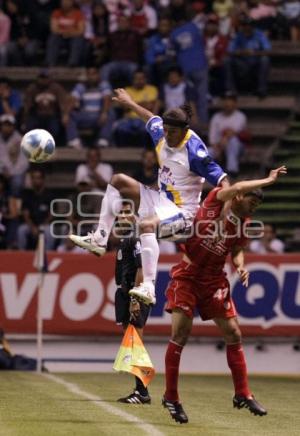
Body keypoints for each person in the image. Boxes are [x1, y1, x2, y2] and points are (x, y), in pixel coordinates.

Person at [70, 87, 228, 306]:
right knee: (117, 180)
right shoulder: (162, 132)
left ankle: (149, 287)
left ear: (184, 130)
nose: (167, 135)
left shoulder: (196, 153)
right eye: (165, 130)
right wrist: (129, 102)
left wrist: (223, 216)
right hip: (160, 200)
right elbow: (150, 117)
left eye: (172, 132)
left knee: (146, 225)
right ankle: (99, 238)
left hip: (182, 213)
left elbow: (224, 182)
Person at [162, 165, 287, 423]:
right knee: (181, 334)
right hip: (188, 274)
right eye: (252, 203)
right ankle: (171, 397)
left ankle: (243, 393)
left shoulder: (245, 223)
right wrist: (269, 179)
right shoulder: (218, 198)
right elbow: (238, 187)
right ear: (240, 196)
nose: (253, 209)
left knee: (234, 333)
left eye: (256, 207)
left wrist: (240, 267)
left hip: (214, 279)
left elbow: (237, 250)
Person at [114, 201, 152, 404]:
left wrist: (135, 298)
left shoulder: (136, 237)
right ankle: (140, 390)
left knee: (135, 343)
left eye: (127, 212)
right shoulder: (125, 238)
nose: (123, 216)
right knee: (131, 343)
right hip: (124, 291)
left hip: (133, 293)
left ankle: (142, 392)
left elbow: (141, 268)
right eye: (120, 213)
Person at [224, 15, 271, 98]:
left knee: (265, 59)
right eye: (245, 25)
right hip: (242, 63)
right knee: (227, 60)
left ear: (253, 26)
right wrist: (242, 52)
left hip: (256, 62)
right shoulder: (238, 36)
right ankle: (230, 89)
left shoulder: (259, 34)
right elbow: (230, 51)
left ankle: (261, 90)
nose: (247, 27)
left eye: (250, 25)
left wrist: (254, 53)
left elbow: (267, 50)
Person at [67, 67, 113, 148]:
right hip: (85, 116)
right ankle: (75, 141)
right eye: (89, 74)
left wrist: (104, 113)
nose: (91, 77)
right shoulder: (81, 86)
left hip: (98, 116)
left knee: (110, 113)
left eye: (93, 74)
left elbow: (107, 98)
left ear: (98, 75)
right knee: (71, 114)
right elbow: (73, 99)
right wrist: (65, 114)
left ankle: (103, 140)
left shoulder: (104, 85)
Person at [113, 70, 159, 147]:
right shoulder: (127, 90)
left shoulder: (152, 89)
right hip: (128, 119)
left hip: (144, 120)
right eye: (136, 79)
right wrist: (143, 103)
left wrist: (130, 103)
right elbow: (124, 107)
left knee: (145, 130)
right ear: (133, 80)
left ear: (146, 79)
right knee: (120, 129)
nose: (139, 81)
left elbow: (151, 105)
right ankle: (123, 151)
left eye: (141, 78)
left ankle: (146, 151)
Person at [209, 92, 250, 176]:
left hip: (238, 148)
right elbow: (212, 139)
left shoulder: (240, 116)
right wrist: (217, 148)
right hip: (220, 147)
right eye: (225, 101)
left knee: (233, 141)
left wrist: (224, 140)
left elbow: (232, 133)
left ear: (235, 103)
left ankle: (232, 170)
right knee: (205, 153)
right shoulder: (216, 117)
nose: (227, 103)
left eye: (230, 101)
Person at [23, 69, 70, 139]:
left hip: (52, 115)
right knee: (30, 126)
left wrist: (65, 115)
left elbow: (63, 102)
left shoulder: (56, 88)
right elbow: (27, 105)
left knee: (55, 128)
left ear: (49, 78)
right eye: (41, 78)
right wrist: (24, 118)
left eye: (45, 78)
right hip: (37, 115)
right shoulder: (32, 88)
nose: (43, 80)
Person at [17, 169, 54, 250]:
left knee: (50, 231)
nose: (35, 180)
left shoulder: (49, 195)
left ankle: (49, 253)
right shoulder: (27, 194)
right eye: (33, 178)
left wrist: (41, 227)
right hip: (31, 225)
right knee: (21, 230)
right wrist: (33, 227)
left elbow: (51, 215)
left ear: (43, 180)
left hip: (45, 225)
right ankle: (21, 255)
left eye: (38, 178)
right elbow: (25, 214)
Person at [45, 0, 85, 67]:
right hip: (60, 37)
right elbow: (54, 29)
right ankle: (50, 62)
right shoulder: (56, 12)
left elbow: (81, 30)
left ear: (72, 3)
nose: (65, 4)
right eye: (63, 2)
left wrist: (69, 33)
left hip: (73, 37)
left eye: (67, 2)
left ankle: (73, 63)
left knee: (78, 39)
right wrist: (65, 32)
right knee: (53, 37)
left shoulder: (78, 13)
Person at [0, 114, 28, 197]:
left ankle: (13, 207)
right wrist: (2, 170)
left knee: (17, 183)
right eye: (4, 125)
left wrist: (11, 172)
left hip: (16, 172)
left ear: (13, 126)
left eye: (9, 125)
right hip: (2, 171)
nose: (6, 127)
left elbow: (24, 163)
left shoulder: (21, 140)